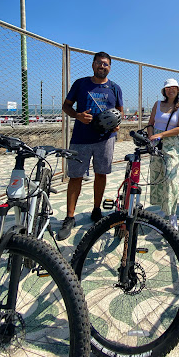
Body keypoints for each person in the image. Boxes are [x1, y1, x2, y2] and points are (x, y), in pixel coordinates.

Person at [57, 51, 123, 241]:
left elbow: (120, 111)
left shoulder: (115, 88)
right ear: (93, 64)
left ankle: (96, 209)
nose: (103, 66)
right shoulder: (80, 83)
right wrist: (77, 116)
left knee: (101, 174)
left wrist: (117, 124)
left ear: (110, 67)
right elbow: (66, 106)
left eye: (106, 64)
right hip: (81, 138)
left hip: (105, 139)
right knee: (75, 177)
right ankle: (69, 217)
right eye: (100, 63)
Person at [147, 79, 179, 231]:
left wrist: (161, 135)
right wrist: (152, 136)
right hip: (156, 143)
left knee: (170, 178)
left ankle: (173, 214)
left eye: (173, 88)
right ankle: (163, 209)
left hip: (171, 145)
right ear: (164, 91)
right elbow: (150, 123)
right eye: (167, 88)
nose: (170, 90)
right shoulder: (157, 104)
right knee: (158, 176)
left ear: (178, 90)